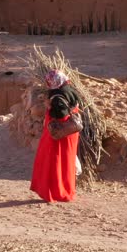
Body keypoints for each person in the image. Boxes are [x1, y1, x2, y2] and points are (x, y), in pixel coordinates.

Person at [30, 69, 81, 203]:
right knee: (67, 161)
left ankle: (55, 192)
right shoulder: (70, 89)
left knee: (55, 162)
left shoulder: (57, 96)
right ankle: (66, 190)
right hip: (70, 133)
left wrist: (49, 106)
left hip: (59, 134)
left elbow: (61, 115)